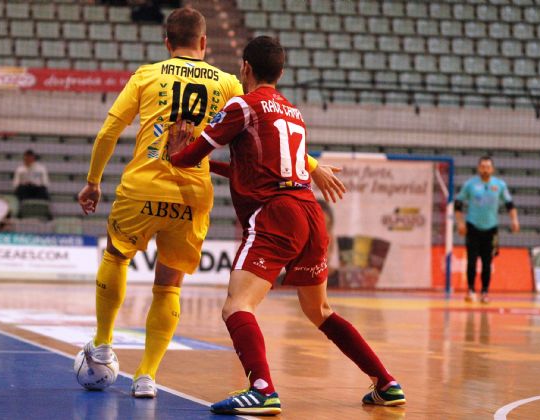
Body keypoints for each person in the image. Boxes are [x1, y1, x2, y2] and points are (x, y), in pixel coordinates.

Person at [168, 36, 405, 415]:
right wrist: (205, 164)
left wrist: (176, 152)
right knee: (320, 311)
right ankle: (386, 382)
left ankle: (262, 389)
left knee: (236, 306)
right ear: (280, 72)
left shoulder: (242, 106)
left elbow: (189, 156)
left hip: (275, 214)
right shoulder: (293, 112)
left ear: (245, 68)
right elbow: (251, 171)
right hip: (309, 213)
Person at [75, 7, 245, 399]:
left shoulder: (148, 75)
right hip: (192, 196)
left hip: (143, 187)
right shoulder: (228, 83)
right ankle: (147, 377)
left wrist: (93, 182)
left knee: (117, 256)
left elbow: (108, 132)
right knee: (168, 287)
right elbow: (262, 133)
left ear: (167, 43)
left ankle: (102, 344)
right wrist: (311, 165)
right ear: (204, 43)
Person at [455, 156, 519, 304]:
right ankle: (470, 290)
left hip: (491, 229)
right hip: (473, 228)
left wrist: (514, 220)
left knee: (487, 262)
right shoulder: (470, 185)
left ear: (492, 169)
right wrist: (460, 223)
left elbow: (510, 204)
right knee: (471, 261)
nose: (485, 169)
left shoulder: (500, 185)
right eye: (483, 166)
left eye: (488, 167)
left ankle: (485, 292)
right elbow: (458, 204)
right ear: (478, 168)